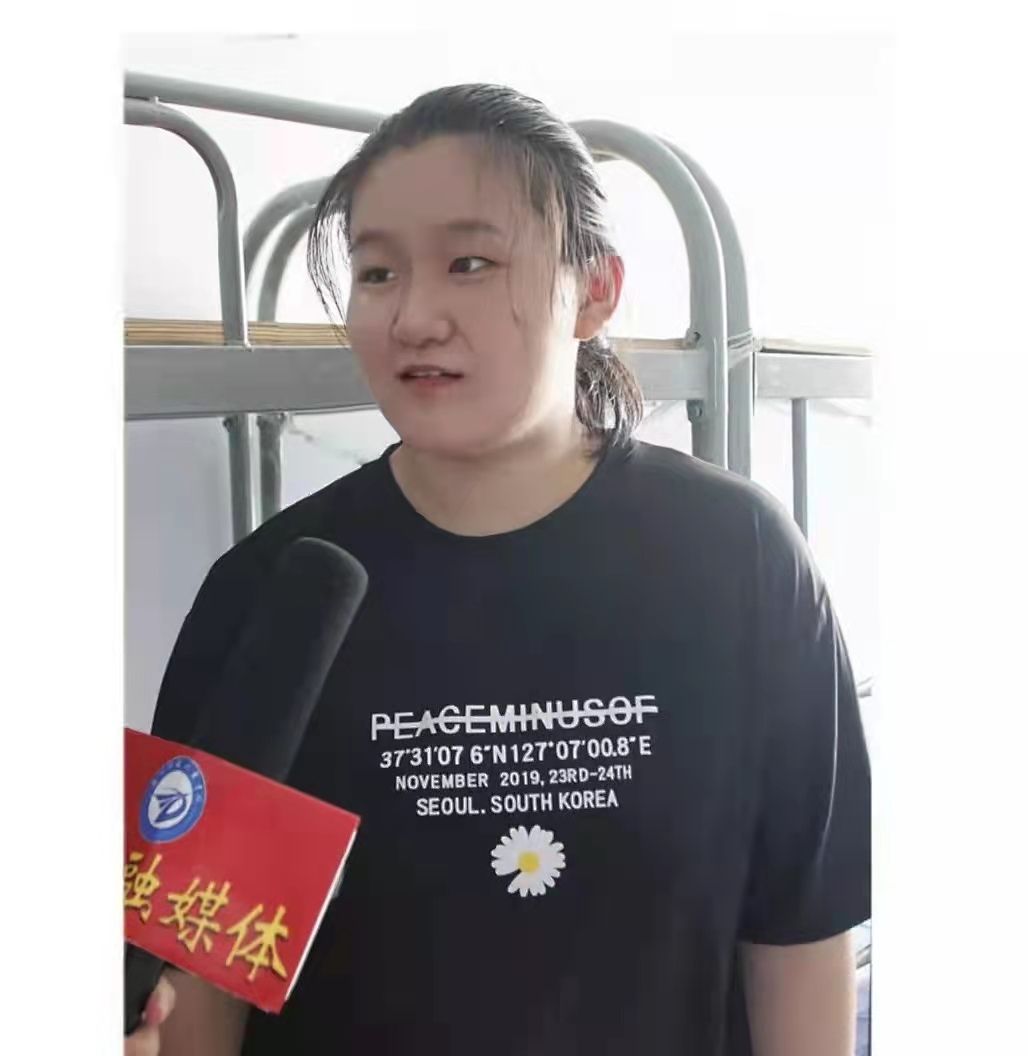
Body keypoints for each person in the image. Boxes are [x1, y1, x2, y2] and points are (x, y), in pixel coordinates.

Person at [135, 82, 870, 1056]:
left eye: (470, 263)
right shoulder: (270, 595)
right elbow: (198, 967)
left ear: (594, 291)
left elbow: (799, 924)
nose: (413, 316)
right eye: (378, 272)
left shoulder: (738, 559)